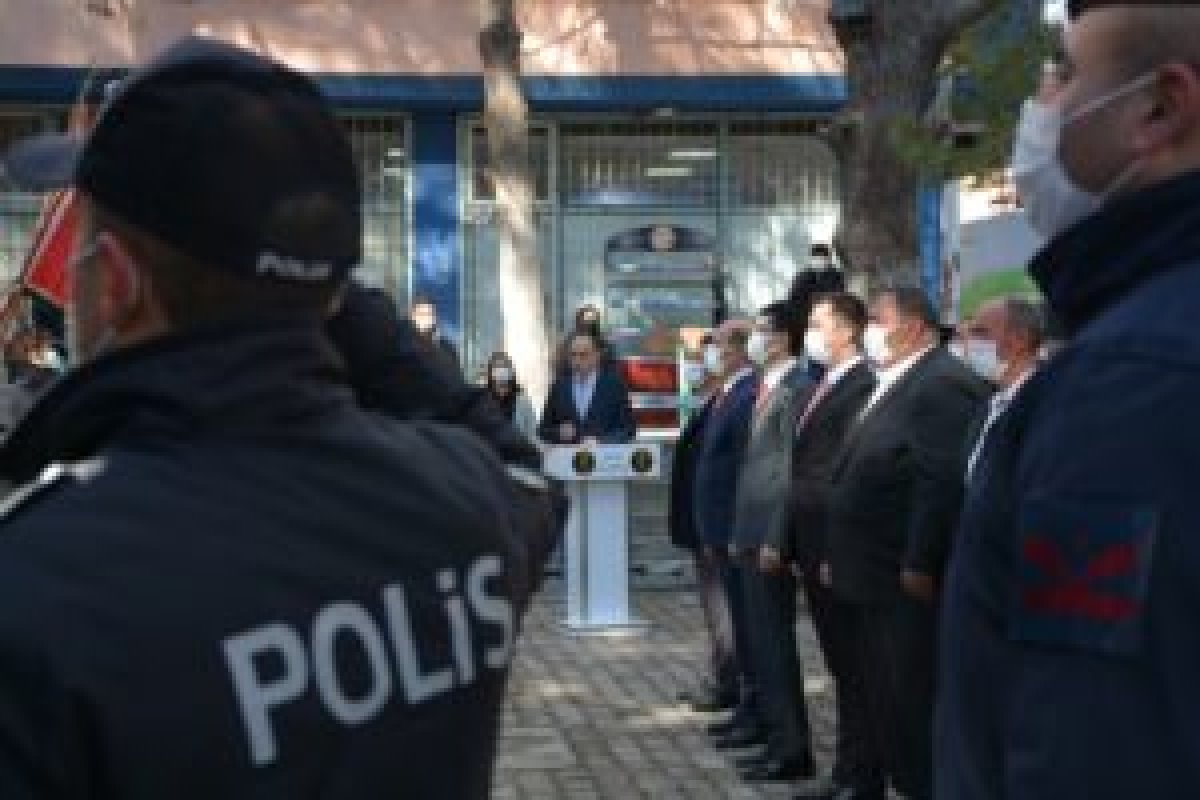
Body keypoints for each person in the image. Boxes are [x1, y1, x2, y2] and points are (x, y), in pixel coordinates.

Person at [0, 37, 540, 799]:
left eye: (82, 245)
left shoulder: (39, 585)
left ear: (116, 283)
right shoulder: (458, 498)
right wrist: (321, 302)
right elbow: (527, 475)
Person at [938, 3, 1200, 797]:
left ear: (1160, 108)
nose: (1040, 106)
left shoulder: (1132, 378)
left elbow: (1095, 742)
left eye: (1063, 74)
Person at [826, 287, 988, 799]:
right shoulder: (892, 378)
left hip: (899, 575)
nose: (869, 330)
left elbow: (940, 481)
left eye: (878, 319)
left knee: (911, 703)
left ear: (914, 326)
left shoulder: (941, 383)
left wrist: (920, 560)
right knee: (881, 699)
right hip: (867, 570)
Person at [789, 293, 879, 800]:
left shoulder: (862, 385)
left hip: (835, 545)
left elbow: (842, 475)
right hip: (811, 543)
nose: (811, 334)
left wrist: (830, 550)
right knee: (842, 664)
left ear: (847, 331)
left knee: (856, 667)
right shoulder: (823, 385)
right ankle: (849, 770)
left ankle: (861, 776)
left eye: (818, 324)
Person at [729, 302, 817, 783]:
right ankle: (768, 731)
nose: (755, 340)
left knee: (774, 643)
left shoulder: (797, 388)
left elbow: (788, 471)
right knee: (758, 643)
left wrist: (775, 537)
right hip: (748, 530)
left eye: (762, 331)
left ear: (783, 337)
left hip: (770, 536)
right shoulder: (765, 385)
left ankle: (791, 748)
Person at [691, 321, 760, 750]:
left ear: (738, 349)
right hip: (713, 524)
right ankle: (743, 703)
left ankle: (750, 704)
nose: (710, 353)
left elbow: (744, 468)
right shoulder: (723, 391)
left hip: (733, 526)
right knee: (731, 616)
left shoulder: (747, 393)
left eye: (716, 345)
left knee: (744, 624)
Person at [670, 335, 739, 714]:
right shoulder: (715, 398)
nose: (706, 358)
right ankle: (722, 678)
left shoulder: (739, 397)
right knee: (716, 610)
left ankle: (729, 683)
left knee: (724, 610)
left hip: (721, 527)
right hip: (703, 525)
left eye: (718, 347)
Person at [959, 296, 1044, 481]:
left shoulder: (1047, 405)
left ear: (1019, 340)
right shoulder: (990, 404)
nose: (969, 342)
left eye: (980, 332)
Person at [538, 329, 636, 445]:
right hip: (568, 454)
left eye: (583, 355)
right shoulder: (559, 387)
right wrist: (559, 433)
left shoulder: (614, 386)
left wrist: (601, 442)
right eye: (573, 355)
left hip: (603, 454)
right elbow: (543, 430)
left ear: (597, 356)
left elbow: (628, 430)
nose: (577, 360)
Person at [483, 351, 537, 442]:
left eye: (504, 367)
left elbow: (532, 433)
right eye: (497, 367)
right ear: (490, 373)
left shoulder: (522, 401)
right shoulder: (483, 399)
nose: (501, 371)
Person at [409, 294, 460, 374]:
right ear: (413, 317)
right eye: (422, 314)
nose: (426, 319)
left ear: (435, 317)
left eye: (430, 314)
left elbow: (455, 373)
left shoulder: (446, 348)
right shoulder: (405, 346)